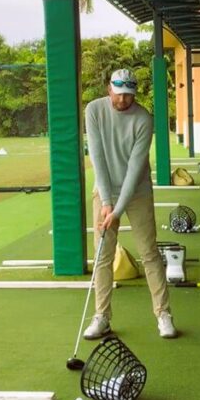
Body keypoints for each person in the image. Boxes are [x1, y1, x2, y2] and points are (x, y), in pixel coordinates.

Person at [82, 68, 176, 340]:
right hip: (105, 189)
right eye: (119, 94)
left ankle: (163, 314)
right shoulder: (94, 110)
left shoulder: (144, 119)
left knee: (148, 252)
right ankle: (102, 316)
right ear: (109, 89)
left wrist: (118, 208)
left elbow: (135, 169)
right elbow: (97, 158)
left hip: (137, 192)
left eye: (129, 96)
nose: (123, 101)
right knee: (102, 254)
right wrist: (107, 202)